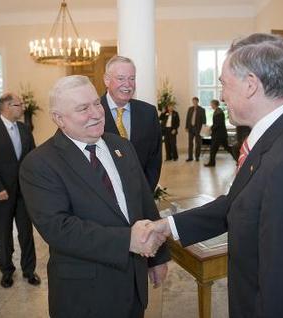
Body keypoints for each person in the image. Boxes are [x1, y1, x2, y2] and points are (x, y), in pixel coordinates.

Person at [150, 33, 283, 317]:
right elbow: (237, 203)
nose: (221, 95)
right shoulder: (278, 135)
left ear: (250, 85)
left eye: (224, 84)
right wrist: (168, 226)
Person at [19, 75, 170, 318]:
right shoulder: (39, 164)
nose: (97, 113)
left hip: (133, 283)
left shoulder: (121, 146)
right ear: (59, 119)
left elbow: (143, 202)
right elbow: (59, 229)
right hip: (85, 294)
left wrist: (158, 257)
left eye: (96, 103)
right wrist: (126, 240)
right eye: (83, 108)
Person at [0, 92, 39, 288]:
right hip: (0, 192)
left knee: (26, 233)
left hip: (23, 193)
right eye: (18, 105)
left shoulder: (24, 128)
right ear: (6, 107)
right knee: (3, 233)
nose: (22, 108)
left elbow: (32, 159)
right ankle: (7, 270)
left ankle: (29, 270)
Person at [100, 55, 162, 191]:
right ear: (107, 80)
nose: (127, 84)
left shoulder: (148, 113)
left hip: (141, 192)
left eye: (132, 78)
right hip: (104, 196)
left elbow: (154, 159)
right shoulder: (93, 112)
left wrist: (145, 191)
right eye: (121, 78)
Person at [204, 99, 234, 167]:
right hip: (220, 134)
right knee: (224, 148)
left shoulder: (219, 112)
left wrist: (210, 128)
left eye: (211, 104)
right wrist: (211, 127)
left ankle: (238, 158)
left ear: (214, 104)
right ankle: (212, 163)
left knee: (214, 149)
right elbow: (216, 123)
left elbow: (218, 124)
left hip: (219, 135)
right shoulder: (218, 111)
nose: (211, 105)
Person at [185, 97, 206, 162]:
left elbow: (204, 120)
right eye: (193, 101)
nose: (194, 102)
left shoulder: (202, 110)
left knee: (198, 143)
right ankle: (190, 157)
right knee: (190, 143)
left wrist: (203, 129)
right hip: (191, 128)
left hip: (198, 129)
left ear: (197, 101)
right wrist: (186, 127)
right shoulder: (190, 109)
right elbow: (188, 118)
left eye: (195, 101)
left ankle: (197, 157)